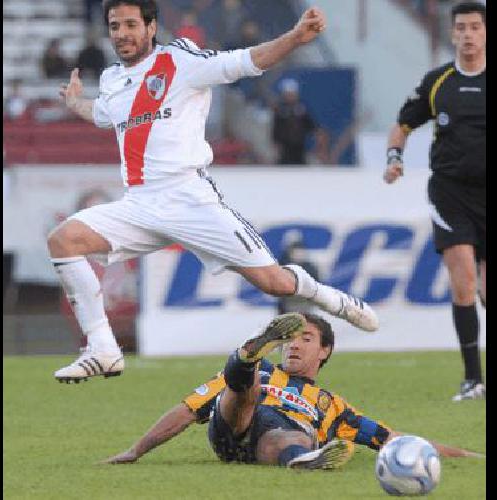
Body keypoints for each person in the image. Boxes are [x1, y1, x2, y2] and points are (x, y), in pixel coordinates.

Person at [50, 0, 378, 383]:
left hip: (190, 199)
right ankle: (103, 349)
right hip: (139, 204)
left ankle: (330, 298)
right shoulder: (111, 80)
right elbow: (103, 114)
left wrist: (294, 38)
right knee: (64, 241)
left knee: (272, 282)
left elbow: (245, 61)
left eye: (130, 24)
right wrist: (75, 103)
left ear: (151, 27)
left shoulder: (181, 62)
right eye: (115, 26)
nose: (122, 34)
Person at [103, 313, 483, 467]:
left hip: (277, 439)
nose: (295, 346)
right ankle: (246, 355)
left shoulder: (334, 406)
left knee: (287, 434)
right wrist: (137, 450)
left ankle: (304, 459)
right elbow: (188, 409)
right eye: (290, 340)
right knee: (245, 385)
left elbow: (395, 440)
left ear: (325, 351)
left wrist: (465, 454)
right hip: (233, 425)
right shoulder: (270, 370)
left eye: (306, 338)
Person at [383, 2, 486, 402]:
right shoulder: (438, 81)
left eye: (476, 27)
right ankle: (473, 380)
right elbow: (402, 124)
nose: (468, 35)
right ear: (453, 33)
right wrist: (394, 158)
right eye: (461, 28)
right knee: (463, 282)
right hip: (451, 193)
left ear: (485, 32)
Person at [270, 79, 327, 165]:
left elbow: (312, 126)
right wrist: (276, 143)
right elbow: (276, 128)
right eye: (288, 94)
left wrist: (318, 141)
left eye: (292, 94)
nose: (291, 96)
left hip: (300, 147)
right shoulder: (280, 110)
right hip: (284, 148)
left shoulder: (302, 109)